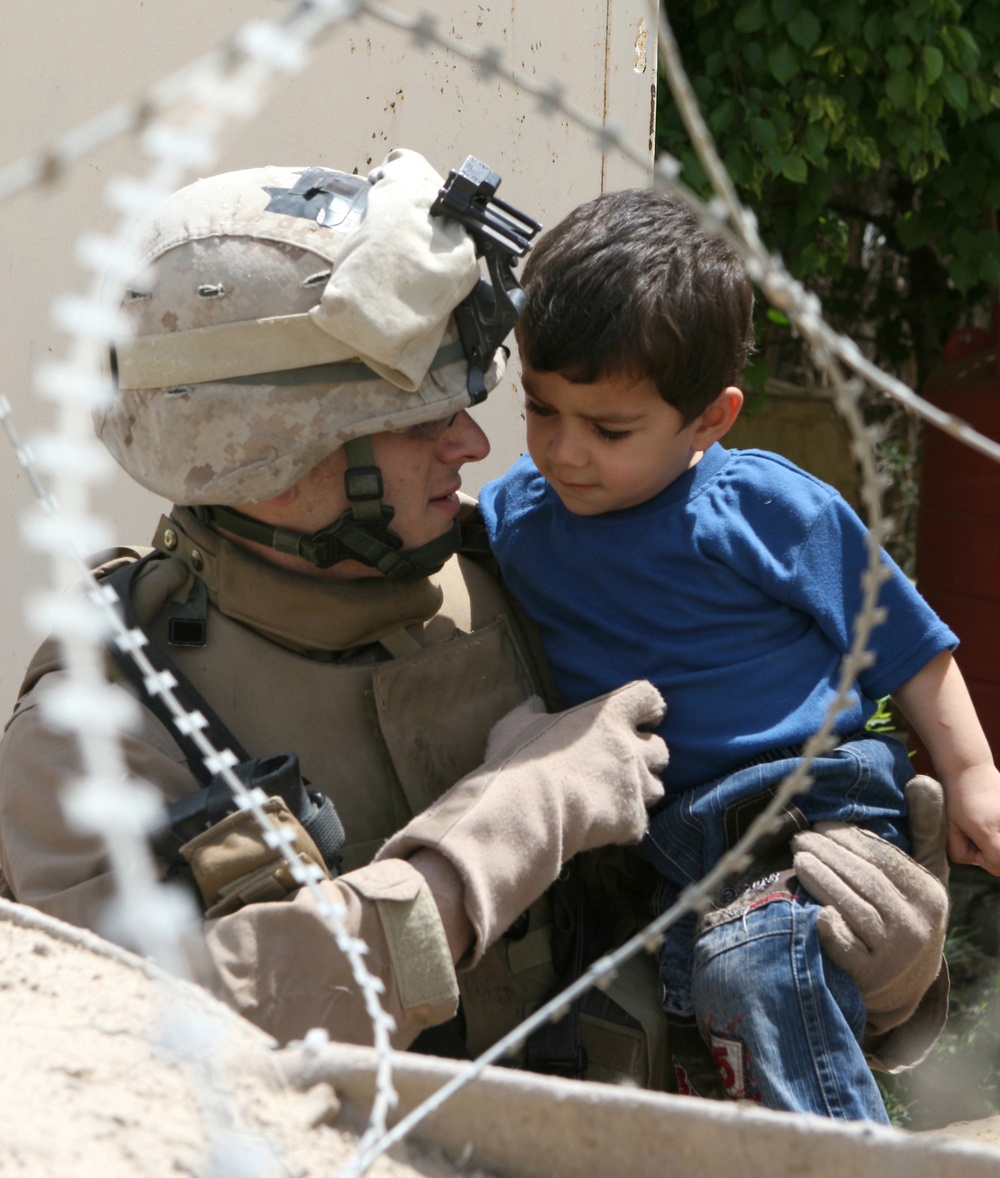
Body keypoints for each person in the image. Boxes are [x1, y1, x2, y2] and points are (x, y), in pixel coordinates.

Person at [0, 154, 949, 1096]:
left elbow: (679, 927)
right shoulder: (100, 731)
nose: (477, 444)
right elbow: (121, 1049)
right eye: (420, 421)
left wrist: (868, 973)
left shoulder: (511, 580)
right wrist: (497, 833)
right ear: (275, 459)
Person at [479, 187, 996, 1119]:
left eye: (608, 429)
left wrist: (971, 776)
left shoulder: (763, 507)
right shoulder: (517, 516)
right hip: (667, 835)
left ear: (710, 420)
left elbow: (908, 645)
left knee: (755, 968)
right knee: (691, 1015)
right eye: (540, 409)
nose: (564, 451)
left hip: (807, 802)